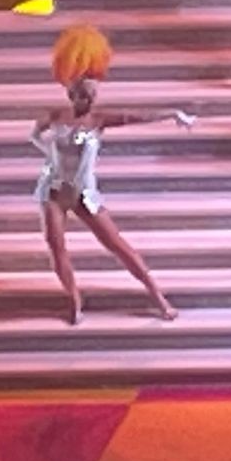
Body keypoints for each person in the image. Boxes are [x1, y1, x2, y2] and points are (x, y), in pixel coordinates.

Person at [37, 26, 193, 325]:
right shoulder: (56, 116)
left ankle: (158, 297)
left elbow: (136, 117)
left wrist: (172, 113)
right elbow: (34, 134)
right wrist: (47, 153)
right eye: (85, 94)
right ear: (71, 93)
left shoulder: (98, 120)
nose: (90, 100)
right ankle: (74, 301)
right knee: (56, 247)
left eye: (93, 95)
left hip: (84, 194)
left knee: (118, 246)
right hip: (53, 192)